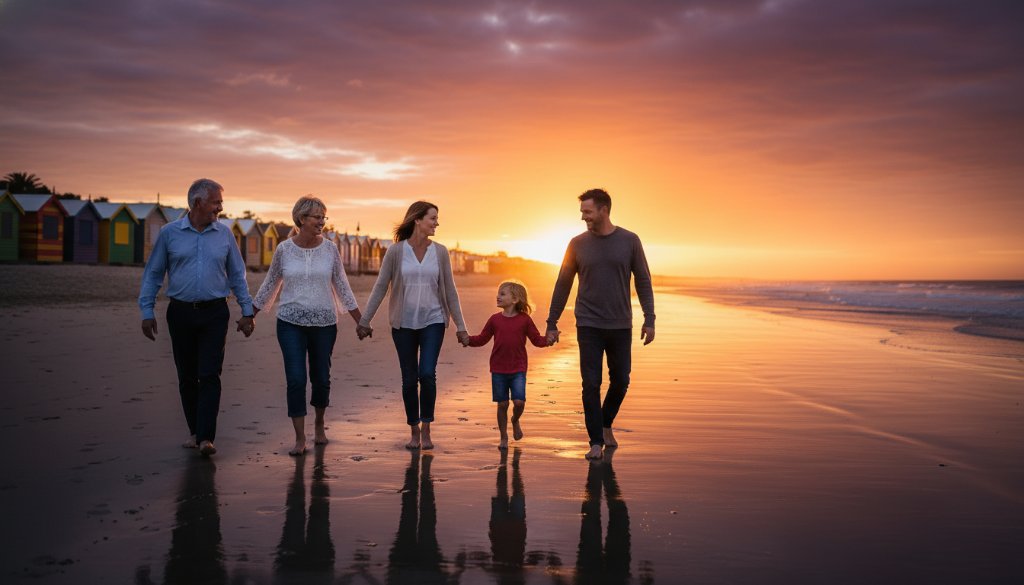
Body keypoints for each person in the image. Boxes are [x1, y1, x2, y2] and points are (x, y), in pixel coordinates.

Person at [139, 178, 255, 457]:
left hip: (215, 312)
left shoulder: (225, 235)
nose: (221, 208)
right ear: (197, 202)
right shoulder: (169, 234)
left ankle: (206, 438)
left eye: (220, 202)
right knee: (187, 376)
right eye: (216, 202)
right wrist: (147, 311)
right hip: (179, 312)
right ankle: (194, 431)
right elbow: (154, 274)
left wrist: (247, 310)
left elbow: (237, 275)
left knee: (210, 374)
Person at [546, 188, 655, 460]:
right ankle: (595, 441)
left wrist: (649, 318)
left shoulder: (630, 241)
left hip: (620, 324)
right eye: (582, 212)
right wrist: (552, 321)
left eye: (587, 211)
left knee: (621, 380)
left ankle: (605, 424)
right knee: (590, 383)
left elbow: (643, 280)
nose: (583, 217)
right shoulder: (577, 243)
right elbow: (563, 283)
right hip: (588, 323)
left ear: (603, 210)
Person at [251, 196, 362, 456]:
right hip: (290, 322)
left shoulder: (331, 250)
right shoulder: (284, 250)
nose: (322, 222)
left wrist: (361, 321)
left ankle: (320, 423)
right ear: (301, 219)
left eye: (324, 217)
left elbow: (342, 286)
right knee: (296, 379)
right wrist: (251, 313)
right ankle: (300, 438)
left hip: (324, 322)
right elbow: (270, 283)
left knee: (321, 379)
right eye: (317, 217)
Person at [356, 201, 469, 450]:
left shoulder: (440, 252)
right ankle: (414, 431)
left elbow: (449, 290)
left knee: (427, 374)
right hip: (403, 323)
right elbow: (380, 287)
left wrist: (461, 326)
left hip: (433, 321)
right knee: (409, 379)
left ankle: (427, 429)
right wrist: (365, 321)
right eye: (433, 218)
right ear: (417, 220)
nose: (437, 223)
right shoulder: (396, 252)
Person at [464, 280, 548, 449]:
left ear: (515, 299)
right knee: (502, 404)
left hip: (518, 368)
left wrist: (549, 340)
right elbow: (482, 338)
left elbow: (537, 340)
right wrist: (468, 340)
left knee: (519, 403)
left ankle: (515, 420)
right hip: (498, 368)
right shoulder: (494, 320)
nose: (498, 296)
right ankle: (503, 437)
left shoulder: (525, 320)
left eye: (503, 294)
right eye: (498, 293)